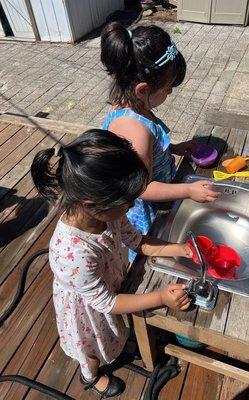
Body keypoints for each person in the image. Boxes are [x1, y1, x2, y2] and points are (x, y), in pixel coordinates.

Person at [31, 129, 193, 398]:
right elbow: (108, 303)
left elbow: (136, 240)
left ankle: (114, 347)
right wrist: (161, 297)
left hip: (109, 288)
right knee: (91, 349)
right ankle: (90, 377)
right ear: (92, 203)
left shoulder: (109, 212)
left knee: (114, 332)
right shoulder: (71, 253)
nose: (132, 205)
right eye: (127, 202)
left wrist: (182, 249)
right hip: (87, 312)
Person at [101, 22, 220, 260]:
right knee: (146, 261)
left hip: (159, 197)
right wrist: (186, 190)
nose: (170, 93)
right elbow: (142, 187)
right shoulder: (135, 130)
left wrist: (174, 148)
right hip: (144, 214)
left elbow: (149, 151)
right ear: (143, 90)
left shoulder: (134, 105)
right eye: (167, 88)